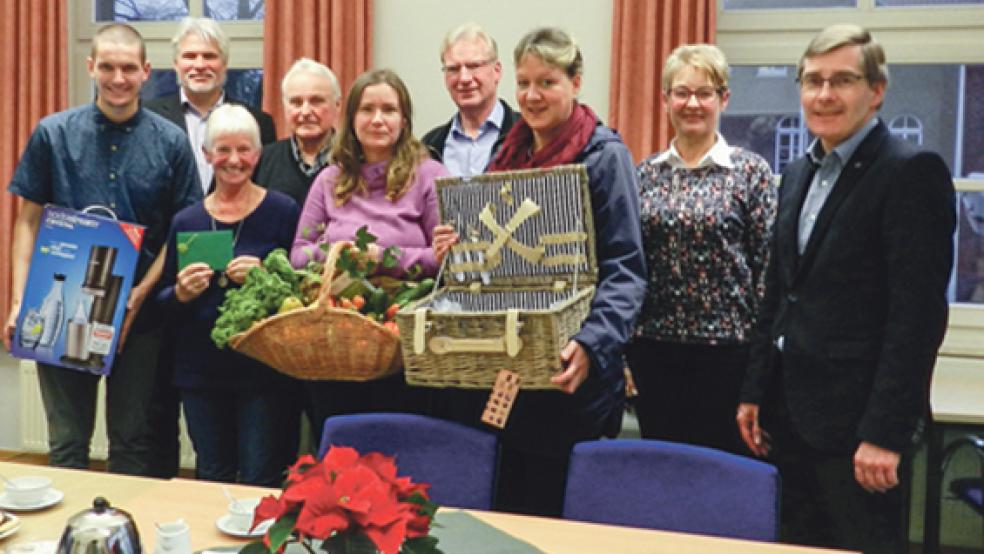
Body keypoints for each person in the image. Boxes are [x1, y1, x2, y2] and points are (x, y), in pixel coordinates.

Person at [736, 24, 956, 553]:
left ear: (876, 91)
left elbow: (917, 317)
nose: (825, 95)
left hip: (859, 432)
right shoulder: (796, 173)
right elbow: (780, 293)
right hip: (789, 420)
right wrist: (754, 390)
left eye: (842, 80)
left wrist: (884, 433)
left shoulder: (909, 172)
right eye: (812, 81)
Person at [432, 27, 647, 517]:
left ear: (575, 82)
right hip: (512, 373)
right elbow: (494, 262)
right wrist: (456, 249)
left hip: (573, 379)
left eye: (547, 82)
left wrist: (592, 343)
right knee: (505, 510)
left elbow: (626, 269)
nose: (531, 96)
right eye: (524, 83)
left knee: (560, 518)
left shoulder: (604, 157)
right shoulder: (508, 154)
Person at [4, 24, 202, 475]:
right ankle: (68, 543)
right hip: (59, 306)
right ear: (91, 67)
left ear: (146, 72)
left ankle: (120, 542)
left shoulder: (171, 143)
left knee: (132, 442)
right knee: (68, 444)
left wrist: (139, 294)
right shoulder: (52, 134)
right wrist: (18, 302)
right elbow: (26, 222)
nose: (118, 78)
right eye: (108, 67)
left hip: (139, 318)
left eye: (128, 68)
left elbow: (180, 232)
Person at [627, 44, 776, 456]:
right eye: (681, 92)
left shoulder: (750, 174)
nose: (692, 103)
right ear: (665, 100)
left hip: (729, 360)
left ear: (723, 99)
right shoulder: (645, 175)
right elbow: (628, 269)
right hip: (654, 357)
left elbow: (769, 279)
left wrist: (759, 378)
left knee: (721, 487)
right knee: (665, 483)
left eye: (704, 93)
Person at [290, 69, 449, 436]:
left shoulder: (430, 176)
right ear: (352, 118)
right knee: (337, 450)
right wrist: (341, 255)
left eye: (389, 110)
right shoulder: (330, 179)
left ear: (404, 119)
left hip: (401, 346)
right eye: (367, 109)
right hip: (335, 342)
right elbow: (298, 253)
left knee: (397, 452)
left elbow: (444, 261)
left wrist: (383, 258)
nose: (378, 119)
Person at [157, 104, 299, 486]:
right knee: (211, 476)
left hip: (263, 373)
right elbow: (162, 302)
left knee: (260, 476)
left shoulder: (283, 210)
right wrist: (182, 294)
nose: (233, 160)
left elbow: (302, 291)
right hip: (199, 373)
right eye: (222, 150)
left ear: (258, 154)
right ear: (206, 154)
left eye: (243, 150)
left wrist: (266, 276)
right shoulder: (186, 220)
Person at [145, 16, 277, 194]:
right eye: (190, 56)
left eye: (209, 56)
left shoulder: (259, 123)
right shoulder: (150, 119)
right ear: (176, 64)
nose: (199, 65)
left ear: (224, 64)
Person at [421, 23, 519, 177]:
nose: (464, 78)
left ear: (497, 71)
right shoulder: (429, 147)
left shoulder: (528, 134)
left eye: (474, 66)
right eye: (453, 69)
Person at [253, 58, 342, 207]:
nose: (305, 111)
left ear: (337, 105)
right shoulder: (262, 161)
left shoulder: (356, 160)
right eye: (296, 102)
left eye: (316, 101)